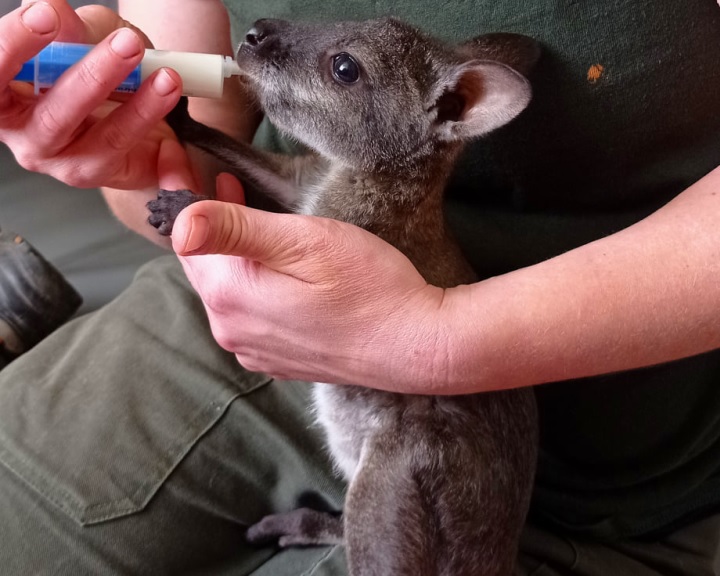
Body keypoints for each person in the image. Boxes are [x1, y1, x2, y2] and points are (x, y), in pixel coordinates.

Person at [0, 0, 719, 573]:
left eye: (344, 68)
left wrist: (443, 342)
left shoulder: (403, 179)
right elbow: (230, 174)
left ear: (448, 110)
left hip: (584, 467)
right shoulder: (343, 177)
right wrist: (144, 130)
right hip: (242, 322)